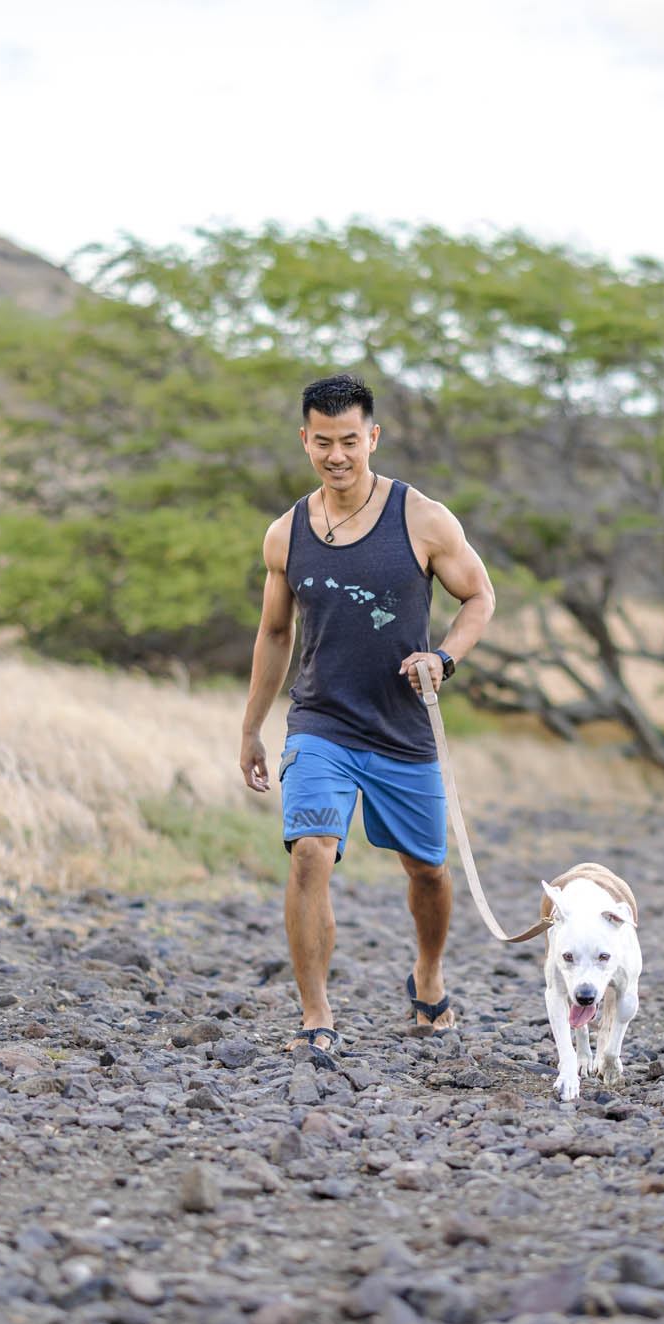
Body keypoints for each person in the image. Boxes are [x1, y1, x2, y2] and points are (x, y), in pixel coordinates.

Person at [238, 374, 496, 1069]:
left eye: (349, 441)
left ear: (372, 438)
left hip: (403, 729)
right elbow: (273, 634)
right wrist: (251, 727)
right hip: (321, 722)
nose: (337, 455)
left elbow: (479, 597)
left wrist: (444, 657)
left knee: (428, 872)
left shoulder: (423, 519)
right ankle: (316, 1015)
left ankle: (429, 976)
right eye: (322, 442)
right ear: (305, 440)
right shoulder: (286, 533)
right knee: (311, 852)